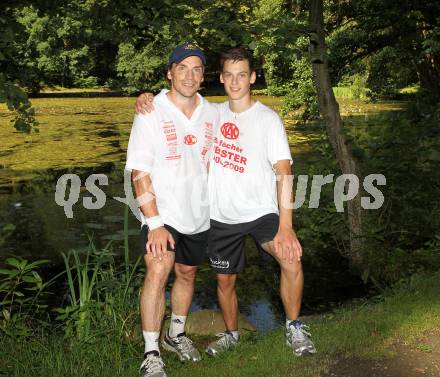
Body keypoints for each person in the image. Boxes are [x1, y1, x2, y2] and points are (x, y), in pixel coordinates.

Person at [136, 47, 316, 359]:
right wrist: (146, 97)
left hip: (262, 212)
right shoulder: (211, 113)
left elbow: (284, 172)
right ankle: (232, 333)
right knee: (225, 281)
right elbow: (178, 106)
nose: (235, 82)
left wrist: (286, 226)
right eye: (229, 75)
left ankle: (294, 325)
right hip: (219, 215)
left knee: (291, 258)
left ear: (253, 78)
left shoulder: (268, 119)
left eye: (242, 75)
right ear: (220, 78)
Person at [126, 42, 219, 377]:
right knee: (159, 268)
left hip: (198, 213)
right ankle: (151, 353)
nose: (189, 76)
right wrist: (154, 224)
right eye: (182, 68)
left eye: (196, 69)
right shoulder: (151, 110)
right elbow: (139, 172)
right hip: (161, 215)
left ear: (203, 75)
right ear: (169, 72)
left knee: (187, 273)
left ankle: (175, 334)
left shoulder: (213, 112)